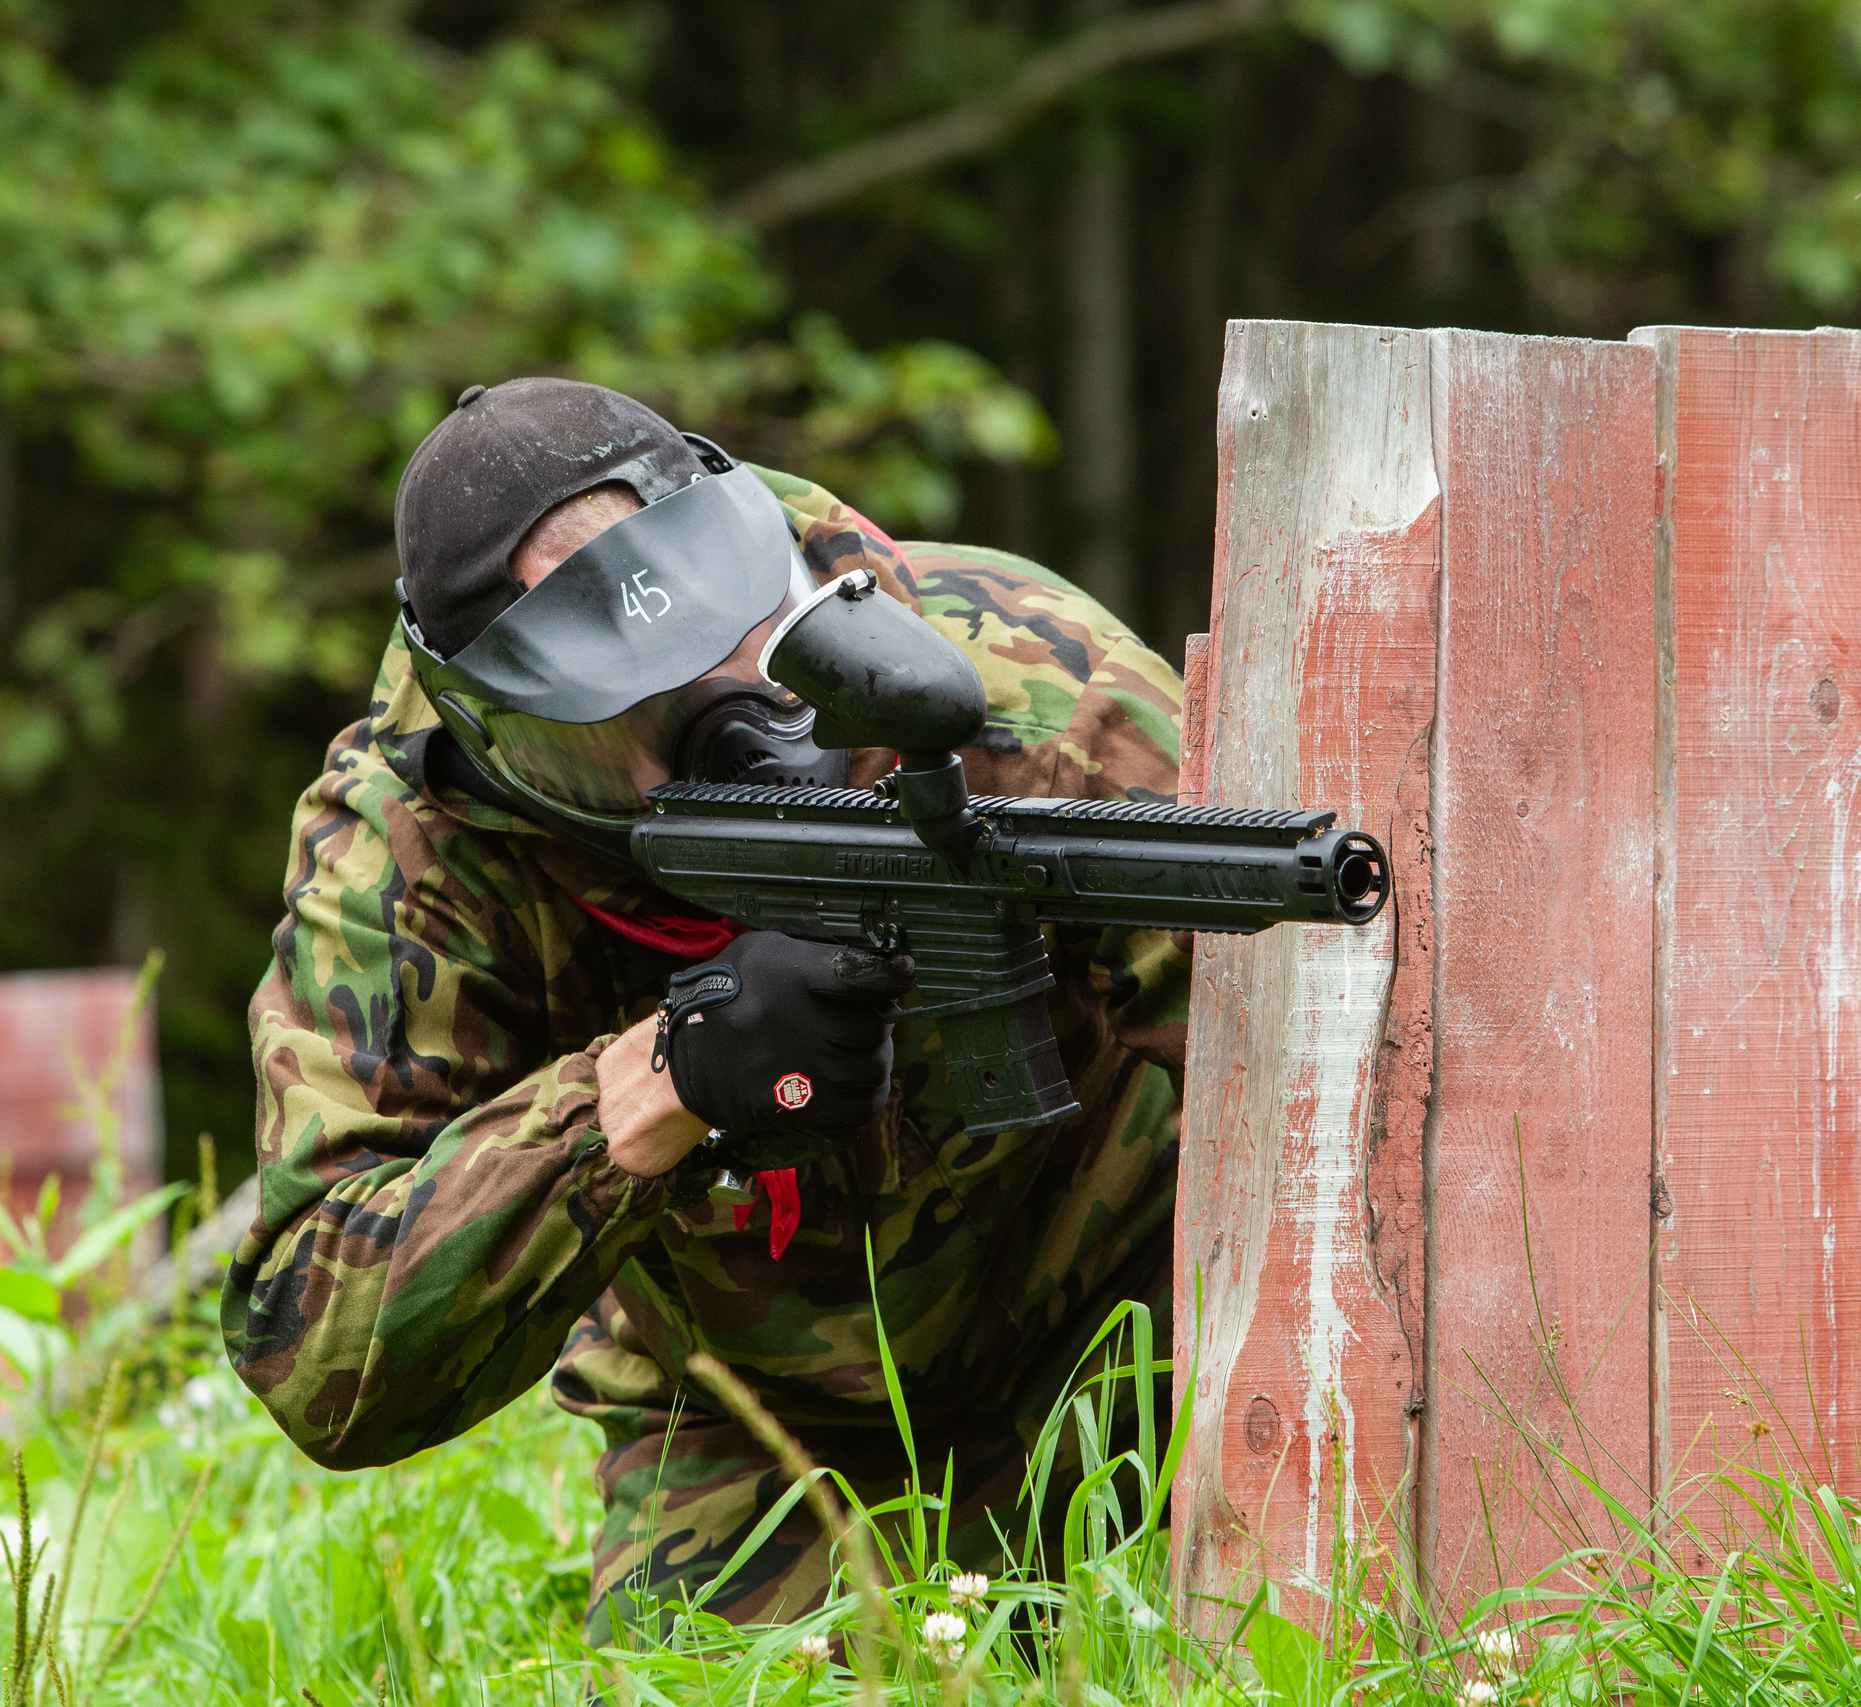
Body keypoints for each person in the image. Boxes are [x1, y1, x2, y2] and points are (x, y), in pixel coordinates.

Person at [223, 378, 1189, 1632]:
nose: (732, 716)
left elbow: (1327, 1072)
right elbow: (318, 1346)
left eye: (734, 633)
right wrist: (652, 1091)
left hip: (1139, 1325)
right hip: (764, 1426)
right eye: (630, 700)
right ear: (509, 733)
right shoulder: (420, 854)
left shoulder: (1029, 683)